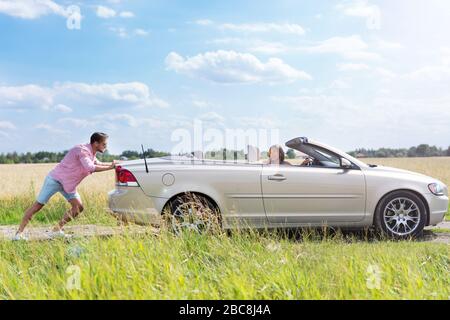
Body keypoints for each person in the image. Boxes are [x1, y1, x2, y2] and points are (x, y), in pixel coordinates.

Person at [13, 132, 118, 240]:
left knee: (78, 207)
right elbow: (90, 167)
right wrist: (111, 167)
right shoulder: (82, 150)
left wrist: (115, 165)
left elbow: (97, 163)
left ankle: (56, 230)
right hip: (55, 180)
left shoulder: (91, 152)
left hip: (68, 185)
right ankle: (18, 234)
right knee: (37, 206)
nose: (106, 146)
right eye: (104, 144)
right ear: (96, 143)